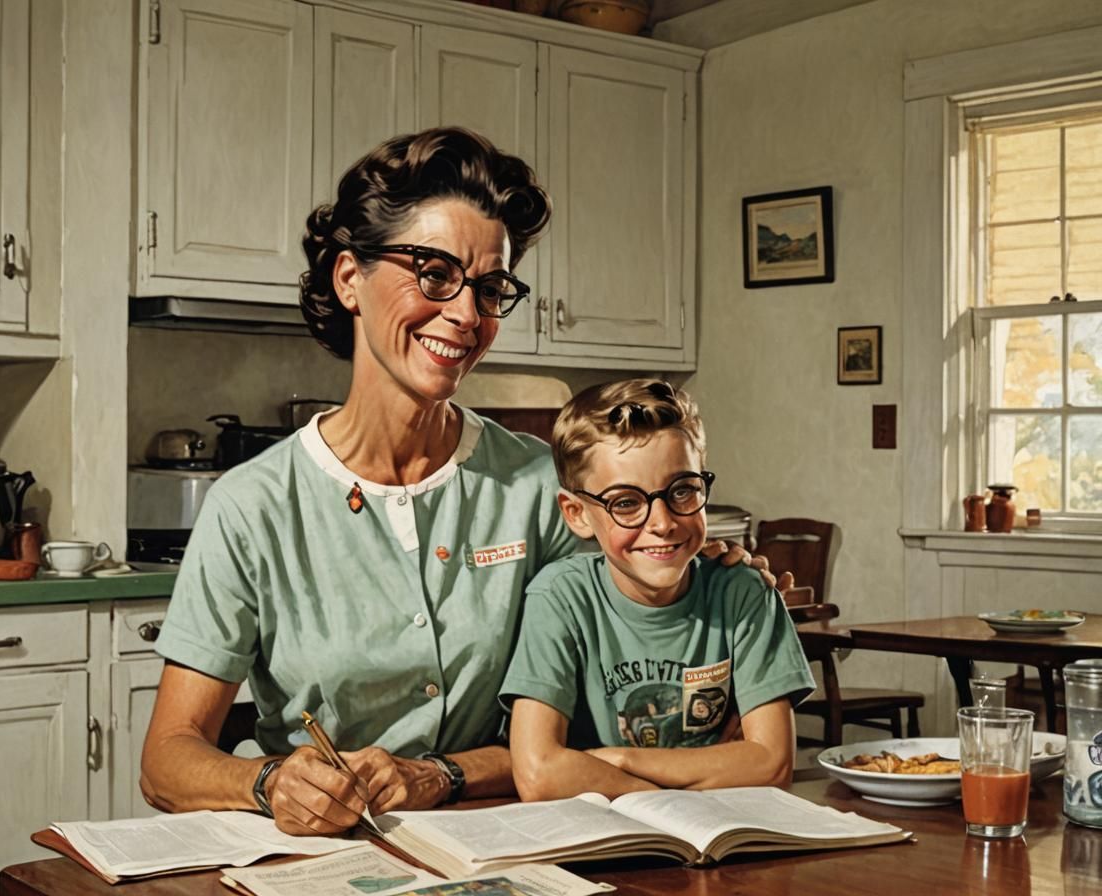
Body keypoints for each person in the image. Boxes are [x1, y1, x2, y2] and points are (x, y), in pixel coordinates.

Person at [139, 127, 780, 837]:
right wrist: (268, 780)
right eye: (434, 274)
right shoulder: (251, 507)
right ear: (349, 278)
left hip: (514, 838)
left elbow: (606, 696)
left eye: (490, 288)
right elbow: (167, 760)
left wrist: (711, 583)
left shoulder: (542, 486)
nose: (468, 315)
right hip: (321, 849)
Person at [500, 379, 815, 801]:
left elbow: (772, 764)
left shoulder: (744, 593)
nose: (663, 522)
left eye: (683, 490)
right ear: (576, 514)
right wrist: (692, 780)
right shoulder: (560, 598)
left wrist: (618, 761)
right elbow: (540, 775)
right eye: (626, 502)